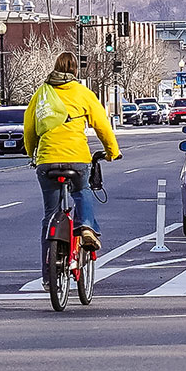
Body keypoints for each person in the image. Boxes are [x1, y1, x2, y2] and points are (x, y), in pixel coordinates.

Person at [23, 52, 121, 252]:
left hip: (47, 159)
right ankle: (85, 226)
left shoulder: (41, 93)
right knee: (82, 190)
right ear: (76, 70)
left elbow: (29, 129)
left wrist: (31, 153)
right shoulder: (83, 93)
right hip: (77, 158)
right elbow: (102, 126)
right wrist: (112, 152)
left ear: (55, 67)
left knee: (50, 214)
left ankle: (48, 276)